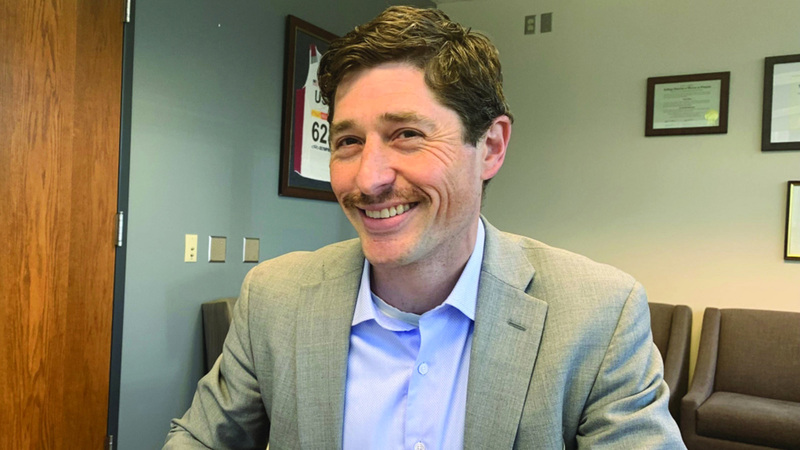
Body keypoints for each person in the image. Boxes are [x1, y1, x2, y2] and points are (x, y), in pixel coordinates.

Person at [164, 6, 685, 449]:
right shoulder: (274, 299)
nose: (368, 179)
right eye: (348, 142)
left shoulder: (598, 316)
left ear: (491, 146)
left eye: (407, 134)